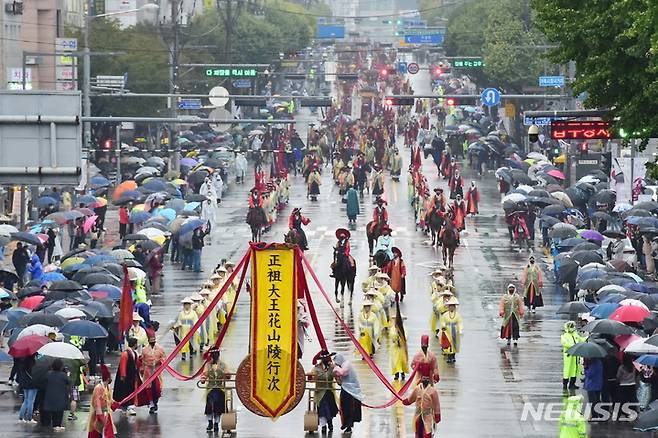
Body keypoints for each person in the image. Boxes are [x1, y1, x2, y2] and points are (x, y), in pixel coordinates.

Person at [332, 353, 363, 433]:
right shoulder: (343, 365)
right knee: (344, 407)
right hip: (346, 389)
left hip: (351, 390)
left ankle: (348, 426)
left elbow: (343, 373)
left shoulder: (346, 365)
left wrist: (335, 368)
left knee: (349, 408)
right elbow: (340, 380)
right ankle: (346, 424)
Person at [201, 347, 228, 433]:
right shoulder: (208, 365)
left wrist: (225, 374)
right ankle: (210, 422)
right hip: (211, 389)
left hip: (220, 389)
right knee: (209, 406)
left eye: (217, 354)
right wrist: (203, 379)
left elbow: (228, 375)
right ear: (211, 355)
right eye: (213, 355)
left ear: (219, 355)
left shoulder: (223, 365)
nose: (215, 356)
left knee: (218, 406)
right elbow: (204, 374)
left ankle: (216, 423)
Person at [311, 350, 339, 433]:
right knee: (323, 409)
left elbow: (338, 376)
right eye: (325, 358)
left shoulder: (332, 367)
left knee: (330, 409)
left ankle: (330, 423)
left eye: (327, 358)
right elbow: (312, 377)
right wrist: (312, 377)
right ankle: (323, 426)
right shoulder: (316, 368)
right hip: (320, 392)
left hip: (329, 391)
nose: (326, 360)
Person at [87, 364, 116, 438]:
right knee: (97, 433)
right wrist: (100, 415)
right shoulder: (98, 388)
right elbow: (97, 404)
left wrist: (116, 404)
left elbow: (110, 400)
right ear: (108, 378)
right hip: (99, 415)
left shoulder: (107, 387)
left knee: (107, 434)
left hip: (106, 414)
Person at [113, 337, 140, 415]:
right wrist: (123, 375)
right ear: (135, 344)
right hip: (126, 376)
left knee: (130, 390)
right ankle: (126, 405)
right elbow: (123, 365)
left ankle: (128, 404)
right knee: (125, 391)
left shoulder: (134, 353)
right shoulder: (126, 353)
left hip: (131, 375)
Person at [140, 329, 165, 414]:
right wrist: (142, 370)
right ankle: (151, 405)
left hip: (157, 371)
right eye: (151, 341)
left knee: (157, 389)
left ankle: (155, 402)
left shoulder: (160, 349)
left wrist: (159, 362)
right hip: (148, 372)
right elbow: (142, 361)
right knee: (148, 389)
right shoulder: (144, 350)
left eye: (154, 341)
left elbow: (164, 358)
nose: (152, 342)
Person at [42, 358, 70, 431]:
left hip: (50, 395)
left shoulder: (48, 374)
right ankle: (57, 425)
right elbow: (68, 382)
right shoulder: (63, 375)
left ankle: (52, 424)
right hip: (60, 395)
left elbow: (44, 383)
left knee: (51, 410)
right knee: (59, 411)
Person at [561, 321, 583, 390]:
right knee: (567, 370)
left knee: (574, 369)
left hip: (575, 355)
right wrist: (575, 346)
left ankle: (572, 384)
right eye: (571, 326)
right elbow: (565, 344)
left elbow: (581, 340)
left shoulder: (575, 334)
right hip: (568, 356)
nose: (573, 328)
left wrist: (587, 337)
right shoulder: (564, 336)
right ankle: (565, 384)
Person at [440, 297, 463, 363]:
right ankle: (449, 356)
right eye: (450, 306)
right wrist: (443, 325)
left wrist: (460, 329)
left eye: (453, 306)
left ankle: (453, 356)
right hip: (447, 330)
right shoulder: (445, 314)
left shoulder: (458, 315)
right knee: (448, 344)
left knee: (454, 344)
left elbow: (460, 322)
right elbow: (442, 321)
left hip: (455, 330)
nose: (451, 307)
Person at [390, 302, 409, 380]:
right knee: (395, 360)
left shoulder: (404, 329)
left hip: (402, 347)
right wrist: (396, 337)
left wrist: (401, 338)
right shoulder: (392, 329)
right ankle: (396, 373)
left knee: (402, 360)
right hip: (395, 348)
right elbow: (392, 336)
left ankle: (402, 373)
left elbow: (406, 337)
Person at [17, 355, 37, 423]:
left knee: (26, 400)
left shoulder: (23, 360)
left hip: (24, 383)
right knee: (31, 401)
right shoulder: (32, 362)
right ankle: (29, 418)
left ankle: (21, 417)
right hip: (32, 383)